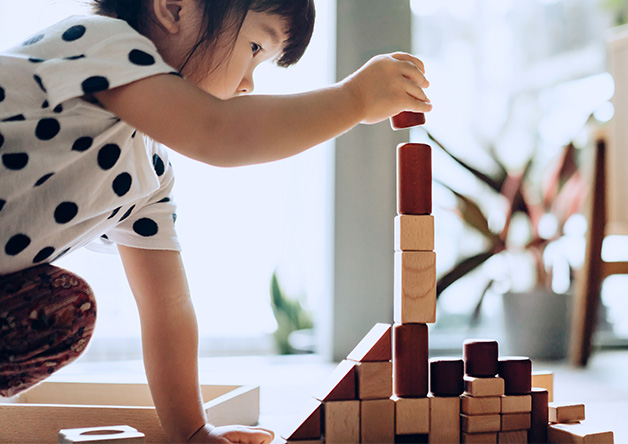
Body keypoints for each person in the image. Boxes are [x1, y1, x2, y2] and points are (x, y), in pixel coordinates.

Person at [0, 0, 431, 442]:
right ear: (173, 7)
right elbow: (221, 133)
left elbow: (166, 307)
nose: (248, 84)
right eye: (254, 47)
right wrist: (354, 99)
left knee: (64, 308)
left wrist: (193, 432)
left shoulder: (147, 173)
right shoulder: (97, 41)